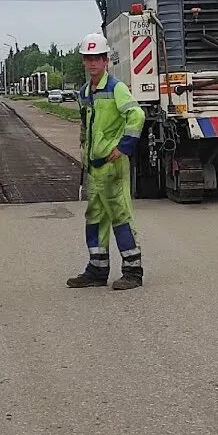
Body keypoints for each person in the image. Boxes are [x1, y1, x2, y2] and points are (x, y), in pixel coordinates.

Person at [67, 33, 146, 291]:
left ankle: (133, 271)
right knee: (95, 218)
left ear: (105, 61)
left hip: (112, 167)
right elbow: (84, 126)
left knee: (120, 216)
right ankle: (97, 270)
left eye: (96, 58)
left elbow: (136, 115)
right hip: (94, 168)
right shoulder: (85, 92)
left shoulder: (116, 88)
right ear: (84, 62)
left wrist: (123, 147)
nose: (92, 63)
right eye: (88, 59)